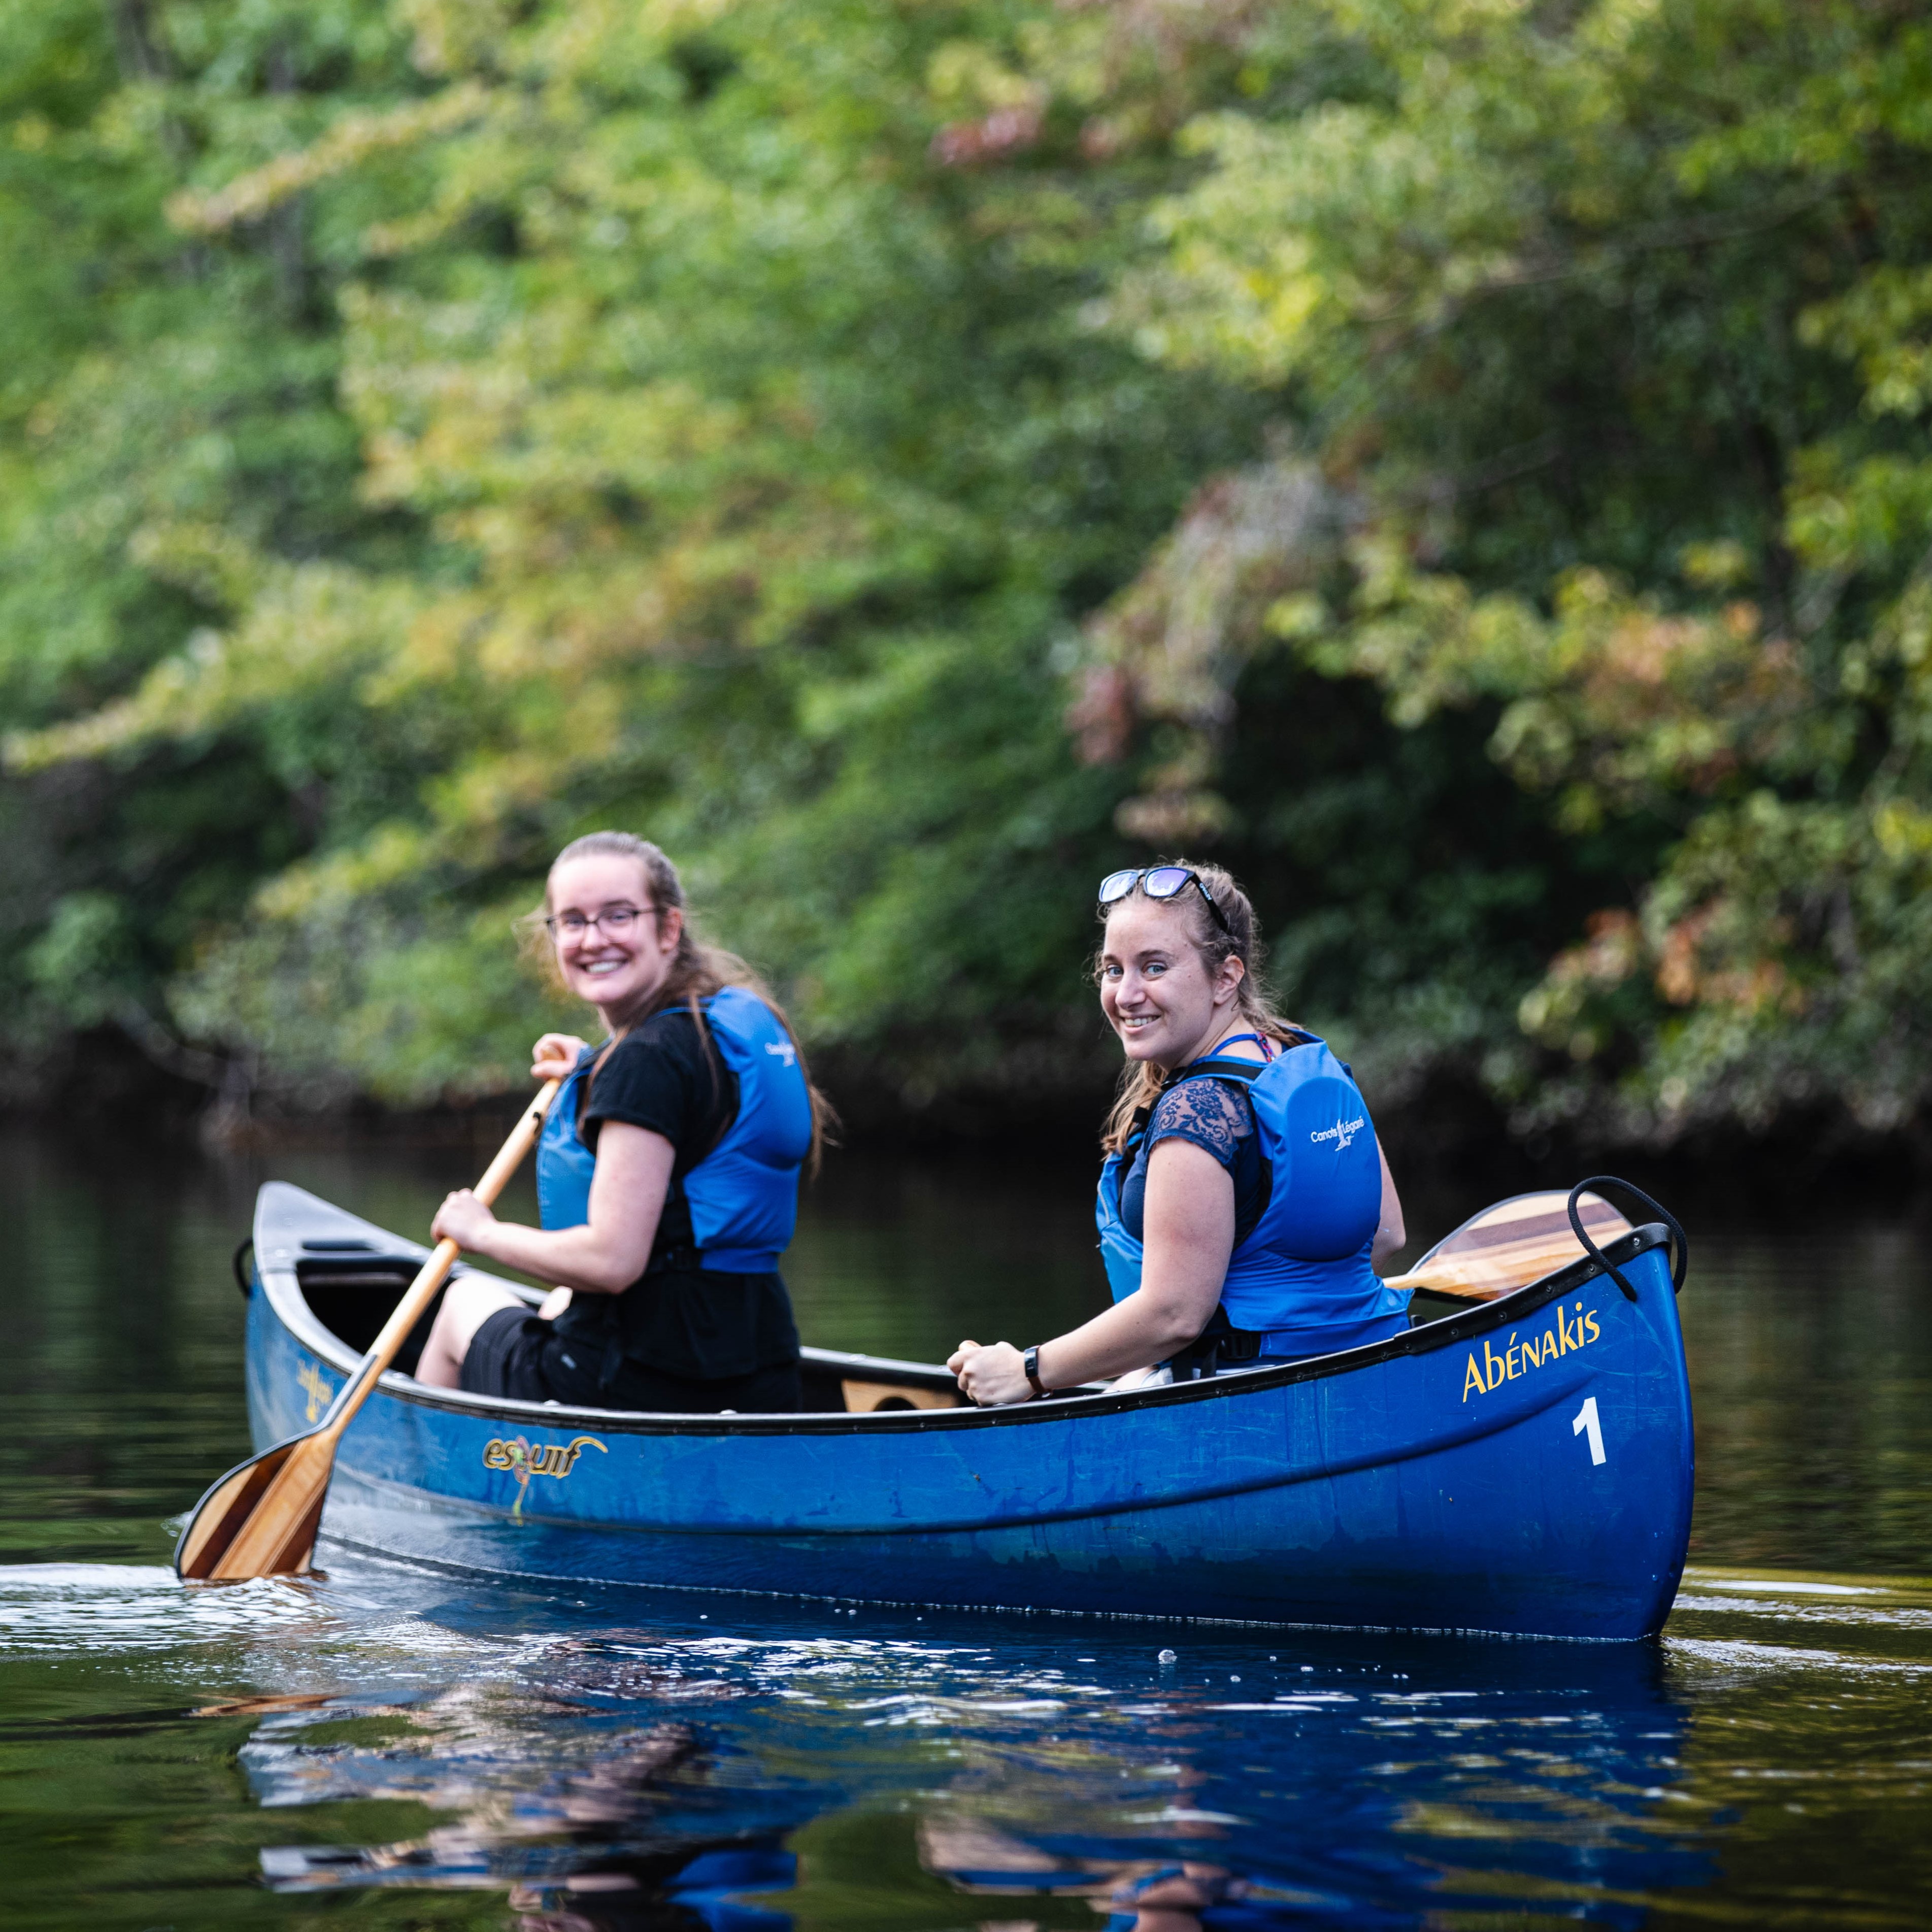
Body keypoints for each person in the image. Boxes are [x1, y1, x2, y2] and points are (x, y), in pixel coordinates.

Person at [949, 862, 1407, 1406]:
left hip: (1243, 1410)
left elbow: (1174, 1314)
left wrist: (1026, 1370)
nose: (1126, 993)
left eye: (1154, 966)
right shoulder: (1306, 1063)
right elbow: (1385, 1235)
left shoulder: (1197, 1109)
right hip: (1363, 1376)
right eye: (1112, 969)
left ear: (1225, 976)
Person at [415, 832, 831, 1413]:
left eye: (617, 915)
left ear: (667, 928)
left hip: (637, 1382)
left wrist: (480, 1231)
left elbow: (611, 1262)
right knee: (558, 1298)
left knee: (461, 1300)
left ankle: (437, 1482)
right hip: (757, 1371)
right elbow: (685, 1119)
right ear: (554, 936)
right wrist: (593, 1067)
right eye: (573, 921)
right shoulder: (724, 1024)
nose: (593, 938)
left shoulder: (647, 1060)